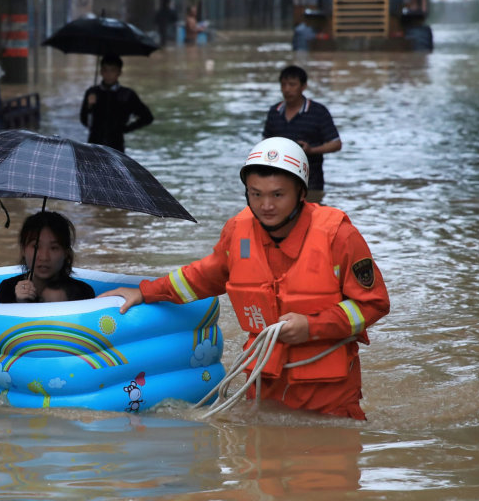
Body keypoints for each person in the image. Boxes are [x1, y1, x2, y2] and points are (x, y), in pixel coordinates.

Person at [99, 138, 389, 420]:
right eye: (256, 193)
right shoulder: (238, 231)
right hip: (264, 386)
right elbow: (201, 277)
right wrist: (144, 292)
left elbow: (373, 303)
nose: (266, 205)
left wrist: (312, 327)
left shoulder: (339, 236)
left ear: (302, 193)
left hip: (330, 396)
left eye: (278, 194)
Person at [262, 65, 342, 202]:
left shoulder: (318, 112)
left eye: (292, 85)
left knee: (311, 219)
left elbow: (336, 144)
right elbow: (265, 144)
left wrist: (311, 150)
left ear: (303, 86)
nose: (287, 89)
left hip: (311, 181)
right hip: (278, 180)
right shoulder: (274, 112)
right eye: (283, 85)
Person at [0, 210, 95, 303]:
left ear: (66, 253)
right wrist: (20, 304)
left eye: (54, 248)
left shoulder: (83, 293)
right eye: (36, 246)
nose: (44, 257)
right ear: (23, 250)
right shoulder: (7, 289)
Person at [79, 54, 154, 153]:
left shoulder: (127, 95)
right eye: (105, 70)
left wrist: (125, 129)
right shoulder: (92, 92)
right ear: (101, 72)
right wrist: (89, 106)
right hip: (94, 145)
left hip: (116, 146)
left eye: (112, 70)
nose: (108, 74)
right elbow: (85, 121)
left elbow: (147, 117)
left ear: (119, 72)